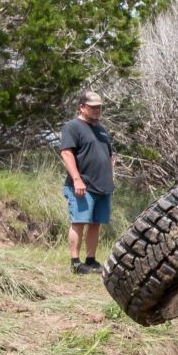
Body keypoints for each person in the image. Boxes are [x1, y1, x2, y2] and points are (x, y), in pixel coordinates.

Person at [58, 89, 114, 274]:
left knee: (96, 223)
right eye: (93, 107)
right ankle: (75, 263)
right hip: (83, 185)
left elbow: (108, 156)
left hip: (102, 186)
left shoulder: (101, 130)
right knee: (79, 221)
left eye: (99, 107)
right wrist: (77, 179)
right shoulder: (73, 127)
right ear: (82, 107)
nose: (97, 110)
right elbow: (66, 153)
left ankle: (91, 260)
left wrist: (110, 178)